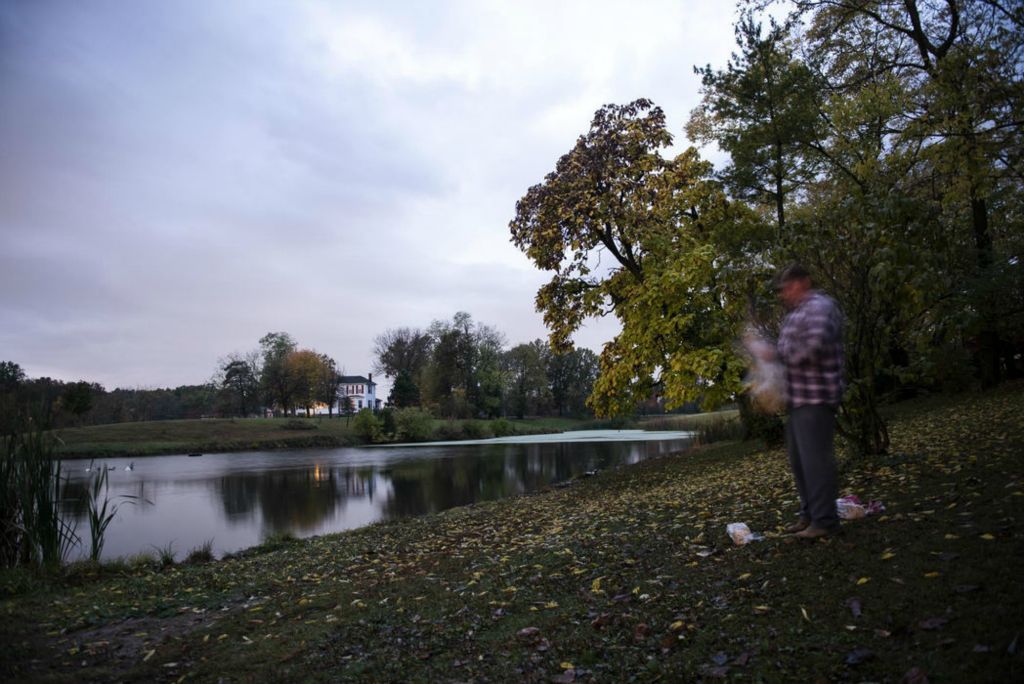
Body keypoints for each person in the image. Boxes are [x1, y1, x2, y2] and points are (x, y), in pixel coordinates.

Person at [774, 264, 845, 539]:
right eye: (783, 289)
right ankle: (809, 515)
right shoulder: (796, 314)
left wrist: (776, 357)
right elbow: (785, 349)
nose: (786, 293)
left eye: (790, 287)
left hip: (816, 397)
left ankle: (825, 521)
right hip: (798, 399)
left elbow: (813, 348)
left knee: (816, 461)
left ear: (804, 282)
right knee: (800, 462)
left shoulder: (819, 307)